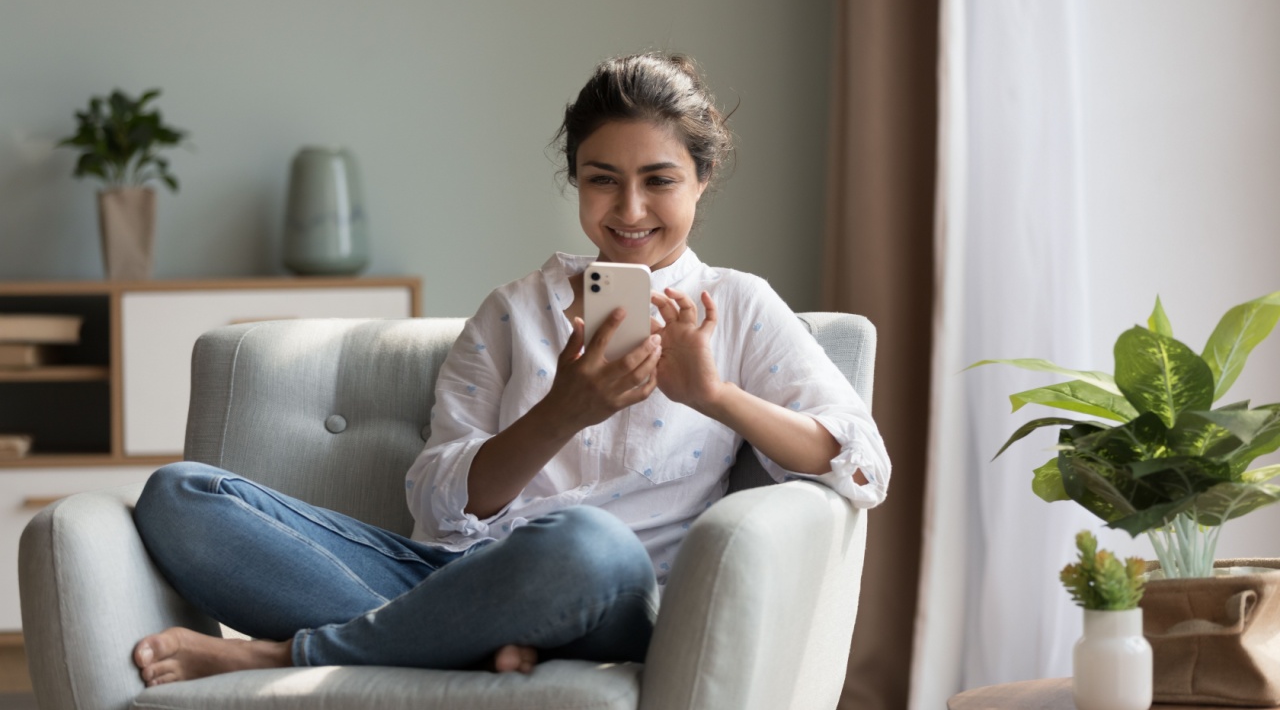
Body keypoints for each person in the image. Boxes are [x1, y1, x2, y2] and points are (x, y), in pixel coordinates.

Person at [130, 52, 891, 687]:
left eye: (658, 180)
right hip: (452, 576)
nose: (629, 209)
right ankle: (467, 641)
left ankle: (286, 654)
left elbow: (861, 467)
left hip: (606, 589)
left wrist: (716, 396)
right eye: (602, 179)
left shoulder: (741, 307)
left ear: (702, 178)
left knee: (581, 542)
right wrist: (563, 411)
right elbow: (437, 506)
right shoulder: (512, 312)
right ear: (575, 179)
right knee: (180, 494)